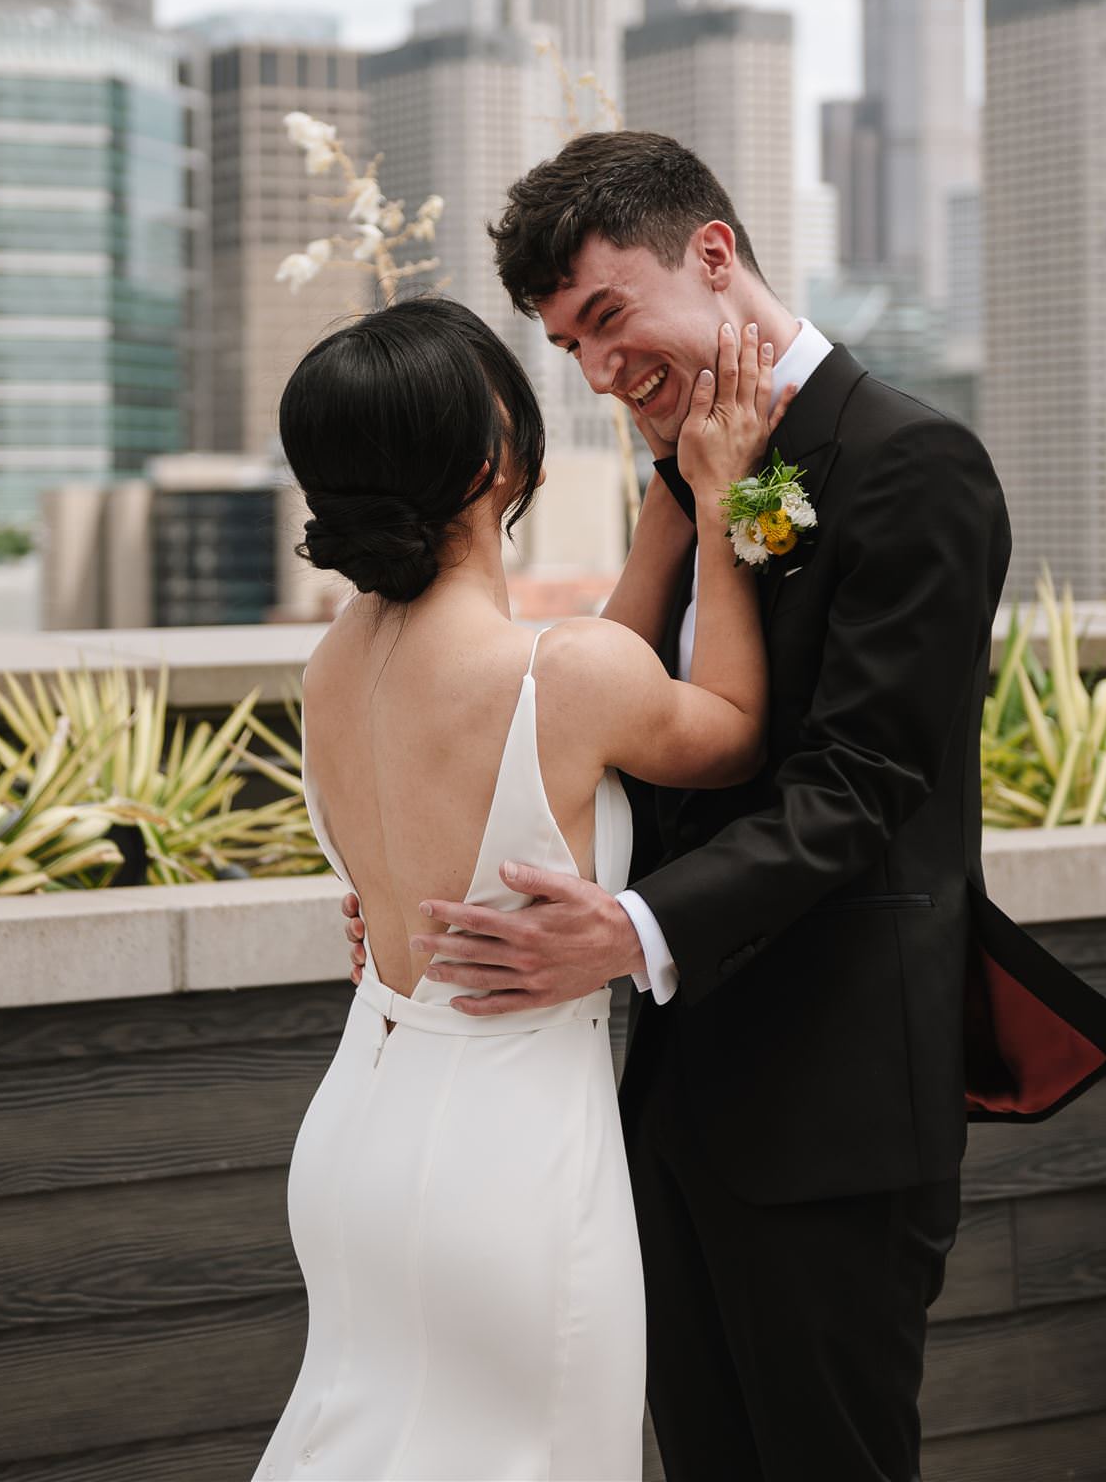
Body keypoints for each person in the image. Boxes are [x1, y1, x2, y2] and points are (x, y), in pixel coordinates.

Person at [343, 131, 1007, 1482]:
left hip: (826, 1101)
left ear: (710, 255)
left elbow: (856, 786)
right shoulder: (711, 474)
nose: (594, 372)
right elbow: (635, 723)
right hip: (655, 1097)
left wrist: (629, 929)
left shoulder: (910, 462)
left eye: (605, 319)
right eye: (566, 348)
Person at [254, 292, 795, 1482]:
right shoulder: (563, 675)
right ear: (496, 455)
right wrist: (716, 503)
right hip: (510, 1152)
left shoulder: (331, 665)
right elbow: (738, 727)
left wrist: (670, 504)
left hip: (356, 1129)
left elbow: (569, 689)